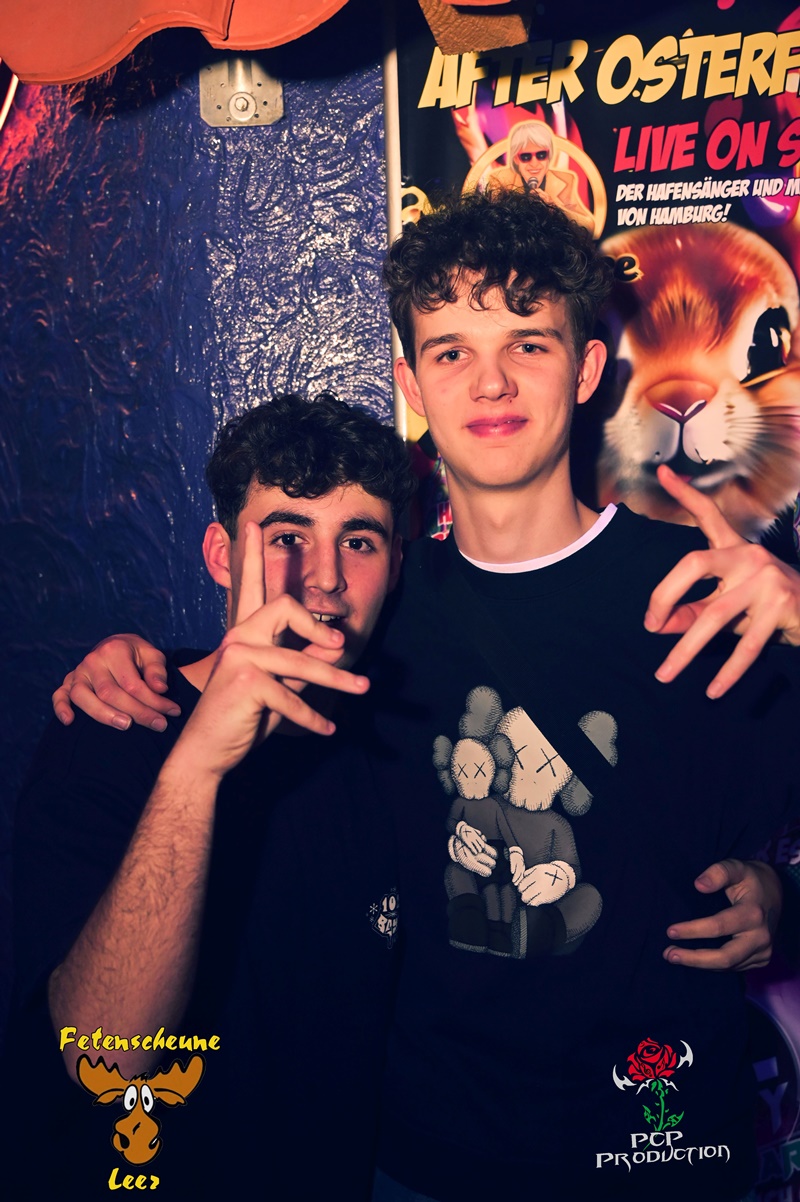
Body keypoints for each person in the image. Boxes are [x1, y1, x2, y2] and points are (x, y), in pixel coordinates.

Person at [51, 194, 799, 1199]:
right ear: (410, 383)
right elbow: (244, 673)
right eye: (450, 351)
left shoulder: (710, 594)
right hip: (420, 1164)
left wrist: (788, 901)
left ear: (585, 371)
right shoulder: (376, 611)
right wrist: (131, 664)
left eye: (527, 343)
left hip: (663, 1154)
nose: (489, 381)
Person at [10, 393, 415, 1200]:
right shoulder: (116, 724)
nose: (325, 579)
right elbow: (104, 1057)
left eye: (358, 541)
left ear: (395, 566)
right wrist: (195, 770)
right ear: (222, 555)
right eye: (288, 537)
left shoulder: (395, 743)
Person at [487, 119, 595, 233]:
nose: (534, 163)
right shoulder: (500, 179)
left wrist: (554, 206)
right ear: (516, 159)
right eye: (526, 157)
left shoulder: (565, 180)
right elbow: (491, 225)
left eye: (541, 155)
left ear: (549, 156)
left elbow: (589, 226)